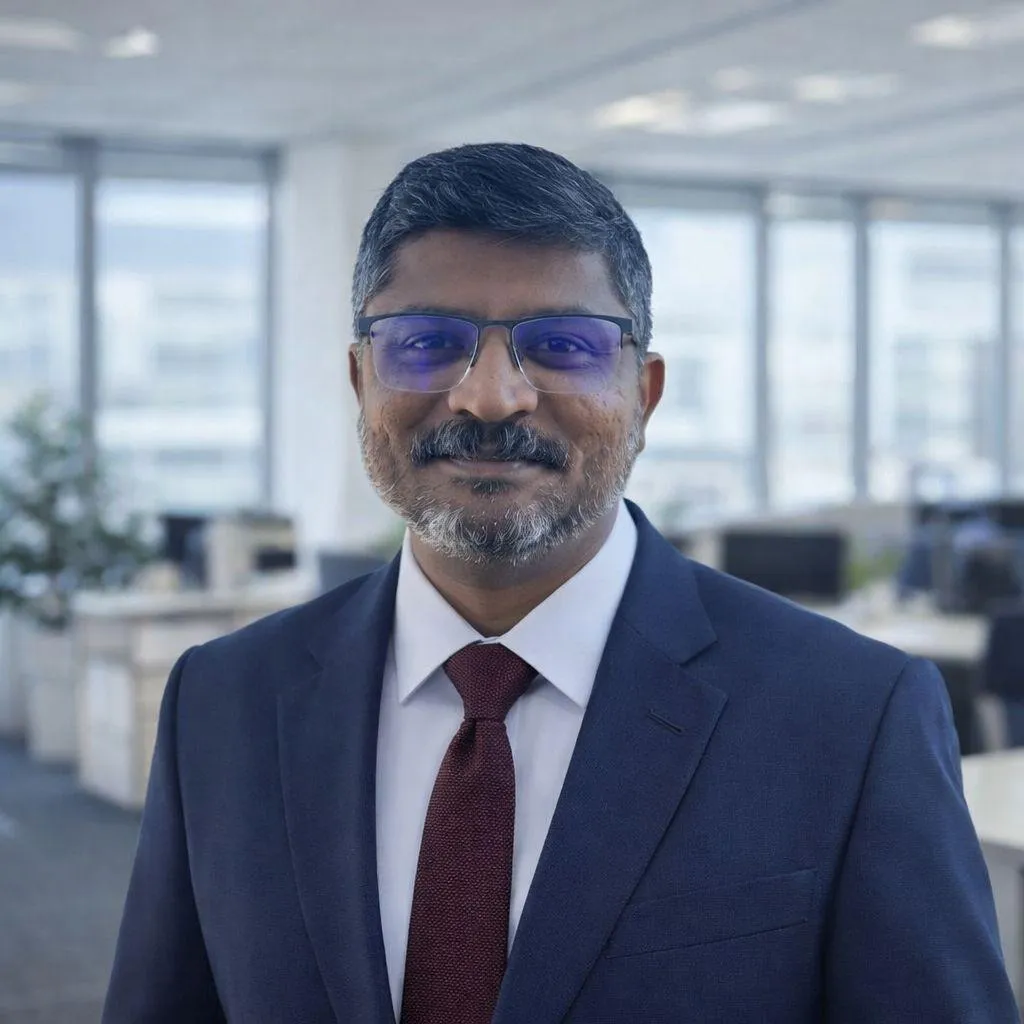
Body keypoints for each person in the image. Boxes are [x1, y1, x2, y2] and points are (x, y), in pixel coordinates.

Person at [103, 143, 1017, 1023]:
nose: (490, 397)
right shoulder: (222, 703)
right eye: (424, 342)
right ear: (359, 381)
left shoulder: (851, 714)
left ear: (645, 394)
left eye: (564, 346)